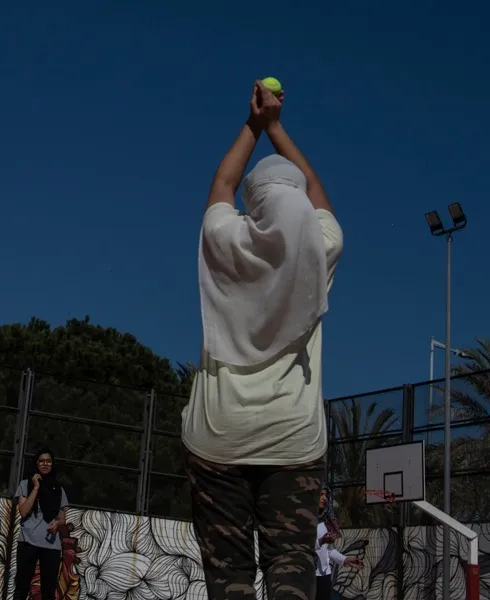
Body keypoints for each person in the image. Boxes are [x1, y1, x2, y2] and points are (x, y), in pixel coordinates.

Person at [182, 80, 344, 600]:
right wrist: (276, 126)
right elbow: (314, 187)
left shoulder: (223, 240)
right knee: (292, 568)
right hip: (294, 440)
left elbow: (221, 184)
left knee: (229, 577)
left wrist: (253, 125)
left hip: (217, 434)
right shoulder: (321, 251)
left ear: (254, 204)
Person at [13, 447, 69, 600]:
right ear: (36, 464)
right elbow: (23, 511)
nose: (45, 464)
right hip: (28, 542)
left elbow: (63, 518)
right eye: (41, 461)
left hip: (51, 546)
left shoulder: (58, 489)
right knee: (21, 588)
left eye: (48, 461)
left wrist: (58, 524)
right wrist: (36, 487)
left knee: (48, 592)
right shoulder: (26, 485)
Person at [316, 487, 363, 600]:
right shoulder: (304, 521)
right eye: (321, 494)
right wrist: (321, 541)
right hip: (308, 576)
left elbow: (329, 550)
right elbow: (304, 548)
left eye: (326, 495)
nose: (324, 498)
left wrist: (345, 559)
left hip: (324, 576)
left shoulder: (325, 523)